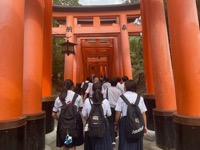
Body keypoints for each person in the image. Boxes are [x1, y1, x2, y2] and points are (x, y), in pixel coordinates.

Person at [115, 80, 147, 150]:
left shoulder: (121, 98)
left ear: (125, 87)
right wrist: (145, 126)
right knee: (137, 137)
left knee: (125, 139)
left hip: (125, 121)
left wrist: (116, 123)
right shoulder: (140, 98)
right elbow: (143, 113)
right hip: (137, 121)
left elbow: (118, 112)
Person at [52, 79, 84, 150]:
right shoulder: (77, 97)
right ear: (72, 87)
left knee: (66, 144)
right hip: (74, 126)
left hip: (63, 126)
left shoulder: (59, 98)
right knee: (72, 145)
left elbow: (53, 114)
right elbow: (81, 109)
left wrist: (59, 120)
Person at [82, 82, 113, 150]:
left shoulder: (87, 101)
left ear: (92, 90)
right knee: (104, 144)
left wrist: (91, 120)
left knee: (91, 145)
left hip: (91, 126)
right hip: (103, 125)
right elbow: (109, 114)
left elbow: (84, 115)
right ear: (102, 90)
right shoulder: (105, 101)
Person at [104, 77, 122, 147]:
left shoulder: (107, 90)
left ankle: (112, 139)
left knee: (111, 123)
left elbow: (104, 99)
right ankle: (115, 134)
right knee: (117, 122)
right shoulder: (119, 91)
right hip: (117, 108)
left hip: (110, 108)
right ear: (117, 83)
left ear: (110, 83)